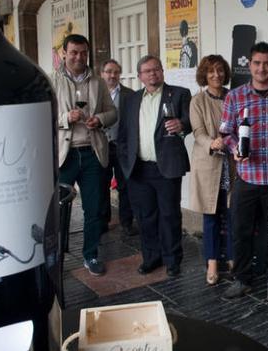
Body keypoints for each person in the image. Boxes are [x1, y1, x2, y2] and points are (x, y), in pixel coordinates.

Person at [220, 42, 268, 301]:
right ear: (249, 64)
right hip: (246, 177)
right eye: (257, 63)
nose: (262, 68)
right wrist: (236, 147)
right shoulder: (234, 96)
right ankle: (242, 278)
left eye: (267, 63)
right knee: (240, 230)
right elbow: (226, 132)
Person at [117, 55, 191, 278]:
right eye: (147, 71)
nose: (152, 74)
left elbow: (191, 121)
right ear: (140, 76)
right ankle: (151, 258)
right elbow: (123, 135)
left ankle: (172, 260)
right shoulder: (131, 100)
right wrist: (125, 161)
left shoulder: (179, 94)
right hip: (138, 168)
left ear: (162, 71)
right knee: (145, 217)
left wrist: (182, 125)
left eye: (156, 69)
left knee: (169, 215)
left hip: (166, 166)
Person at [53, 34, 117, 276]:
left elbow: (113, 112)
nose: (79, 57)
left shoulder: (98, 83)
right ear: (64, 53)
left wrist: (99, 119)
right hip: (65, 155)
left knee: (94, 209)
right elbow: (43, 115)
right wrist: (64, 119)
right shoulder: (52, 80)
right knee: (58, 210)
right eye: (74, 52)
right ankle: (55, 256)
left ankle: (90, 255)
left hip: (92, 153)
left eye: (83, 52)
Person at [189, 55, 235, 285]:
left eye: (220, 71)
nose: (216, 75)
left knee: (233, 215)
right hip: (210, 165)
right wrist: (212, 142)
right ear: (204, 75)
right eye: (211, 72)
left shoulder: (234, 96)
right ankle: (213, 263)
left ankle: (234, 260)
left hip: (233, 164)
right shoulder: (197, 101)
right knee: (211, 217)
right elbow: (198, 132)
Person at [99, 59, 137, 236]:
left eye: (115, 72)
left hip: (122, 147)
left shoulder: (130, 95)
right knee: (101, 185)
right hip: (101, 146)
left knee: (125, 186)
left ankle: (126, 222)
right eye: (108, 71)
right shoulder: (96, 94)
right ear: (102, 74)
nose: (112, 75)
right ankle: (103, 221)